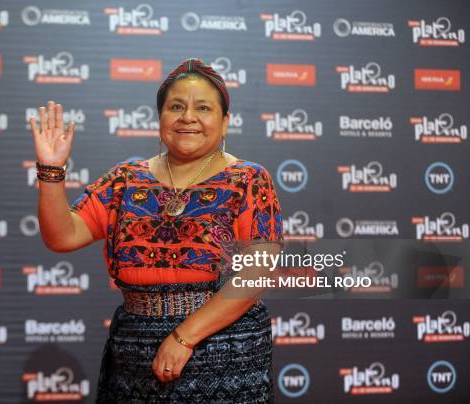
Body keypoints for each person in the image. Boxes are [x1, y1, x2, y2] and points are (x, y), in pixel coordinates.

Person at [29, 58, 283, 403]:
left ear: (225, 123)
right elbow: (62, 236)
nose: (187, 117)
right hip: (135, 362)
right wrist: (51, 171)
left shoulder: (249, 179)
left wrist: (184, 338)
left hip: (225, 360)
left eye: (203, 108)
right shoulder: (125, 179)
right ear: (160, 118)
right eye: (175, 106)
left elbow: (258, 273)